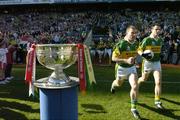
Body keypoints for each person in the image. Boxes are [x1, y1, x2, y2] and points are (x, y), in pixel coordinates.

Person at [110, 25, 141, 119]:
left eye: (136, 33)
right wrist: (126, 60)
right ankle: (113, 85)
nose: (134, 34)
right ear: (127, 33)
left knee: (135, 86)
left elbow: (135, 53)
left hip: (131, 68)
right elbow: (113, 58)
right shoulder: (121, 44)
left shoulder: (137, 43)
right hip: (121, 68)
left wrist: (135, 61)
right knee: (118, 84)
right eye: (132, 32)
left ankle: (133, 108)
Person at [137, 24, 164, 109]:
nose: (158, 31)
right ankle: (136, 83)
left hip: (156, 63)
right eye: (156, 29)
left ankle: (157, 101)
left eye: (159, 29)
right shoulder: (147, 40)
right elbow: (139, 49)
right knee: (143, 79)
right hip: (147, 63)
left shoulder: (160, 40)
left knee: (158, 81)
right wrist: (143, 55)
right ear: (151, 30)